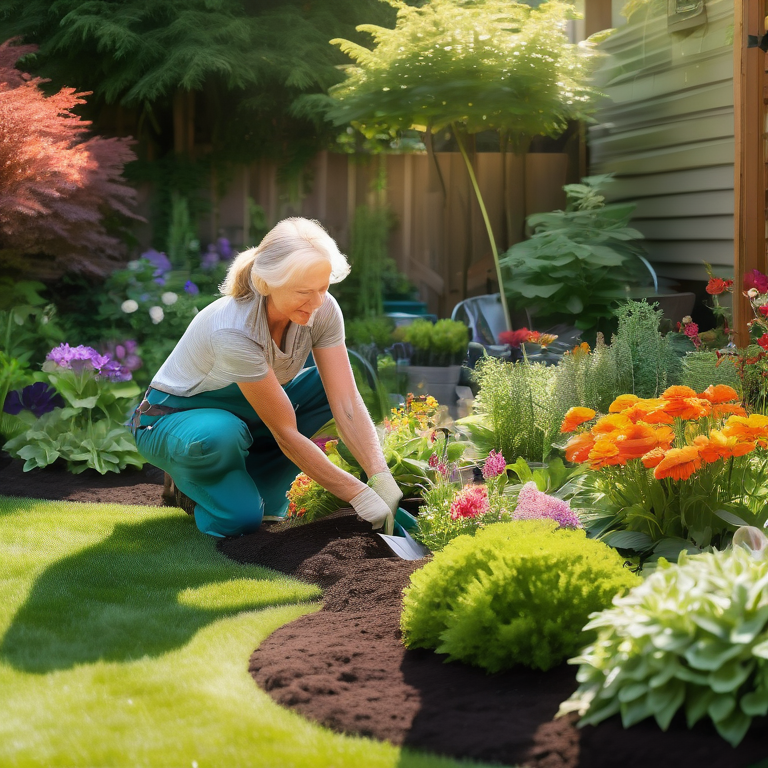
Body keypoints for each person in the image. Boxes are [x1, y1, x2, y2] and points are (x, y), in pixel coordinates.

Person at [131, 217, 402, 538]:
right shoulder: (234, 328)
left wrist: (380, 477)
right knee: (240, 519)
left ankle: (234, 481)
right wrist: (357, 494)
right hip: (172, 421)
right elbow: (285, 432)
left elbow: (345, 401)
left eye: (323, 287)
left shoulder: (323, 309)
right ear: (266, 283)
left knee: (318, 390)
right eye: (304, 291)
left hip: (244, 416)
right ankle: (186, 487)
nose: (318, 303)